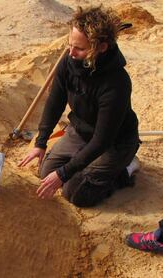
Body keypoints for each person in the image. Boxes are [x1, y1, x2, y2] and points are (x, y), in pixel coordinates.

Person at [18, 6, 140, 207]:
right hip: (81, 130)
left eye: (80, 48)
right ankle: (87, 166)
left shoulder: (117, 83)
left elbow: (102, 140)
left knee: (75, 192)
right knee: (46, 172)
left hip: (114, 142)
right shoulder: (68, 61)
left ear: (101, 47)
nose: (71, 52)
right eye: (70, 44)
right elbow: (55, 101)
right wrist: (41, 142)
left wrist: (64, 173)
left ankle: (126, 168)